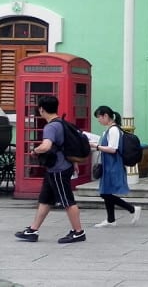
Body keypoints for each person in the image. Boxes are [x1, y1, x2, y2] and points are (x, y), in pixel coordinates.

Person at [14, 95, 86, 244]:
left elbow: (46, 146)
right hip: (56, 168)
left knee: (67, 201)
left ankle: (78, 232)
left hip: (58, 169)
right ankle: (33, 230)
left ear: (41, 109)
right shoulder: (61, 123)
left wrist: (35, 150)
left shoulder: (51, 126)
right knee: (45, 199)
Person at [90, 105, 142, 227]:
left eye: (99, 117)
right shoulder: (110, 130)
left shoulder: (113, 130)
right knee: (106, 191)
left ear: (106, 116)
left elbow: (113, 149)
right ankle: (111, 219)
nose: (98, 120)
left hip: (113, 164)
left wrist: (96, 146)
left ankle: (132, 209)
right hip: (109, 164)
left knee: (105, 193)